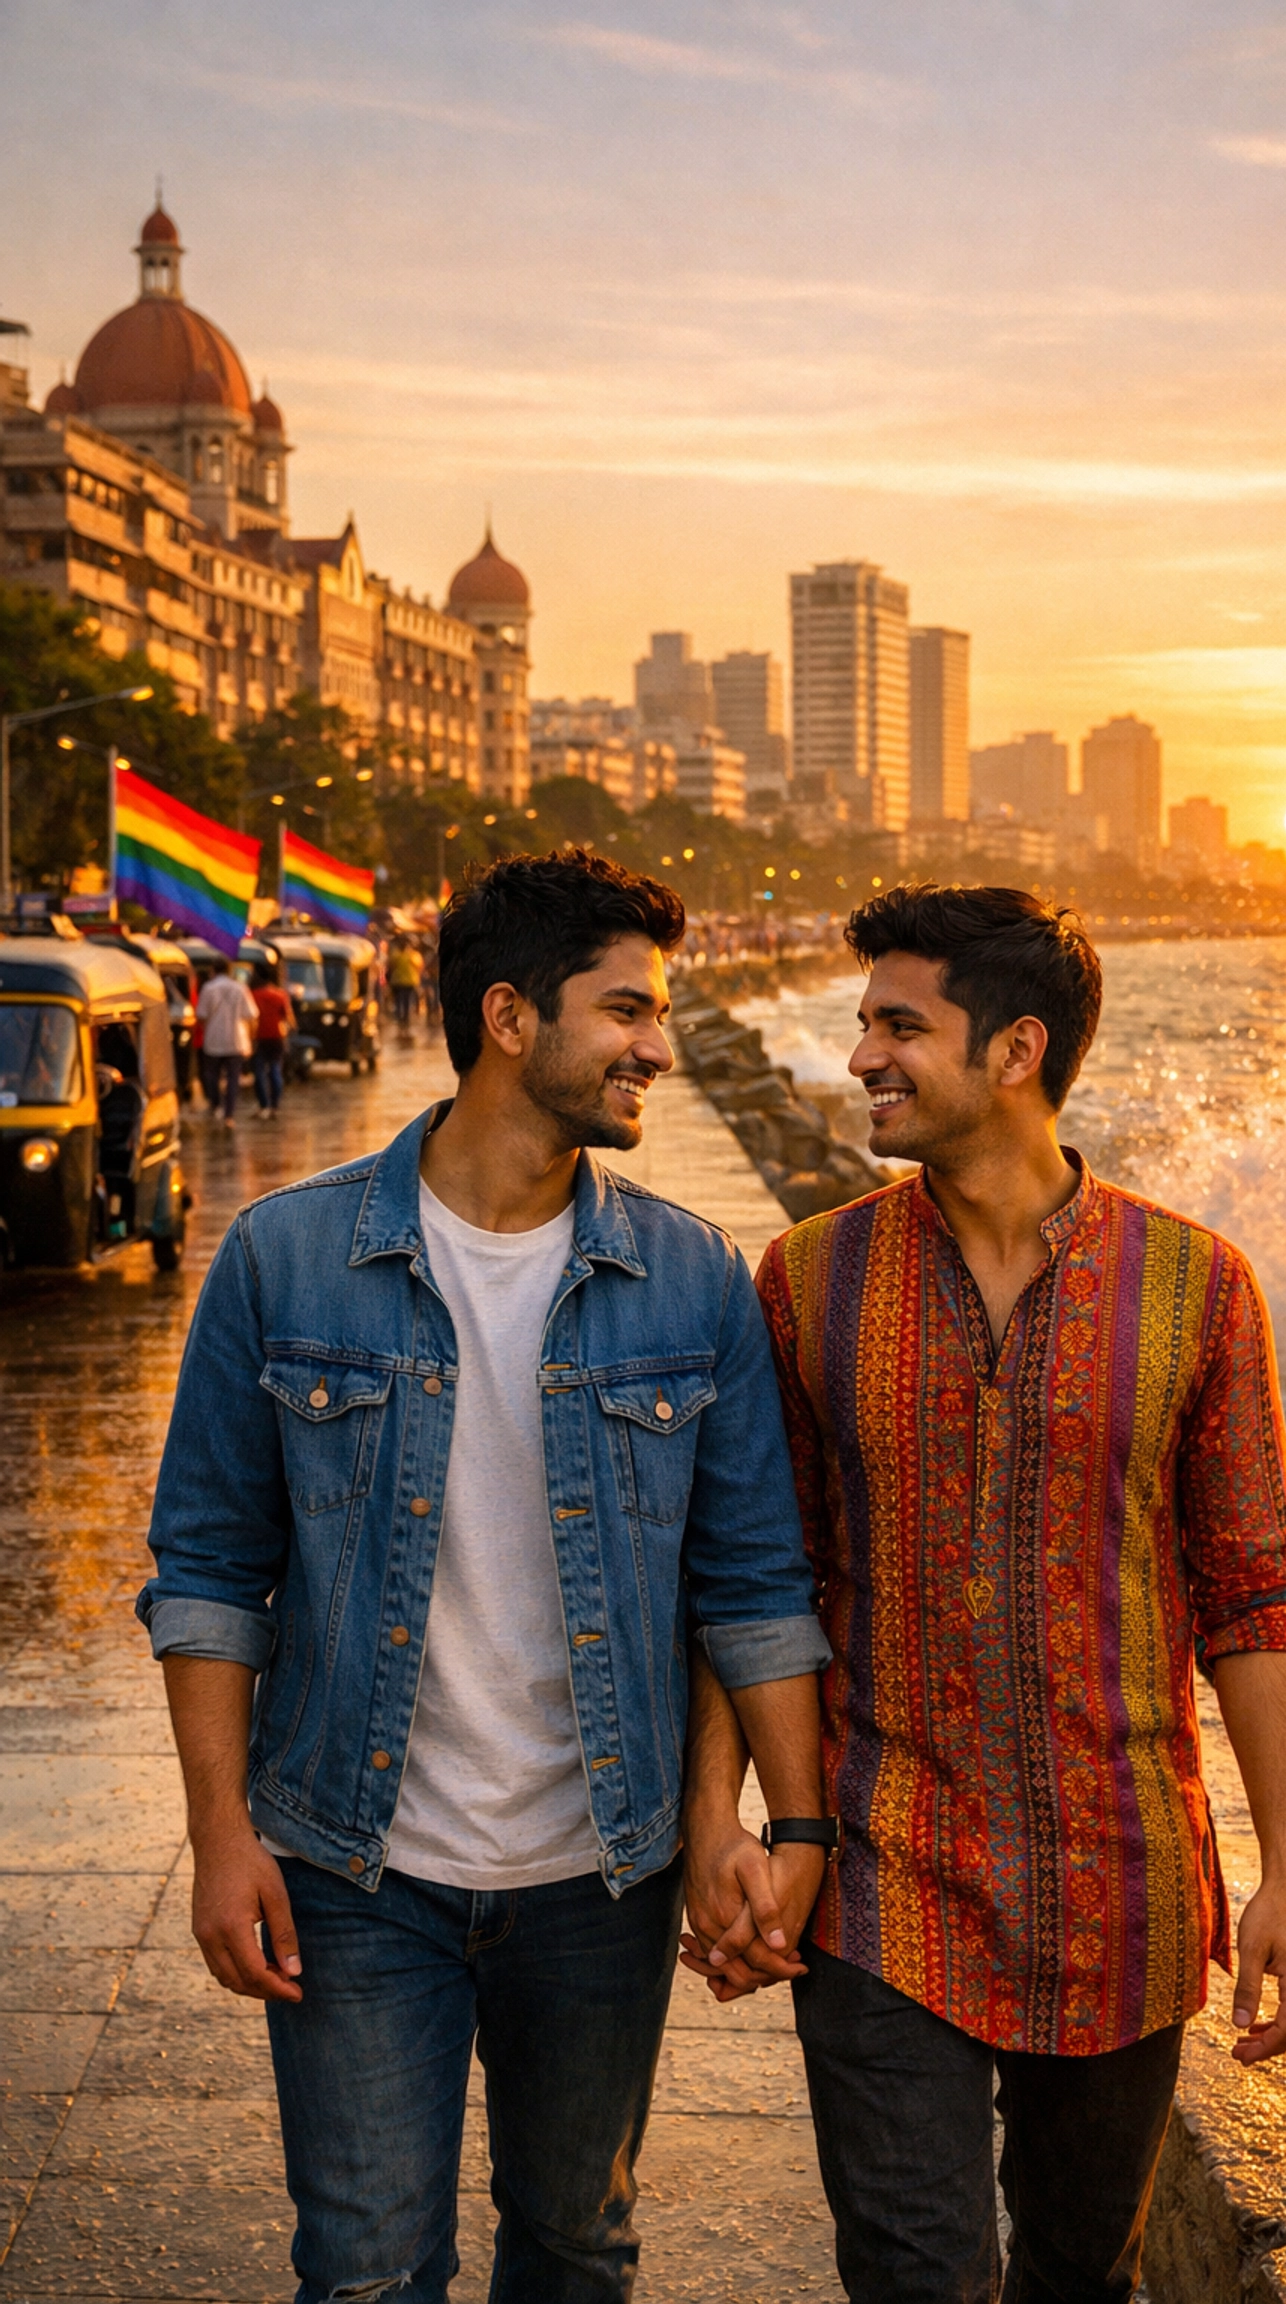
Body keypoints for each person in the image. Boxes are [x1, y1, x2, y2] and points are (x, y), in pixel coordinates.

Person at [137, 847, 832, 2303]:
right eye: (627, 1010)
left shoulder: (693, 1279)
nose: (659, 1044)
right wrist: (219, 1835)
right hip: (348, 1869)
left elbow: (754, 1581)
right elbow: (208, 1572)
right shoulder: (286, 1258)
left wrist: (786, 1828)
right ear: (511, 1019)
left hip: (602, 1876)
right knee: (368, 2269)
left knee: (579, 2249)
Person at [688, 884, 1286, 2304]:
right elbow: (752, 1577)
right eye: (863, 1027)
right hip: (883, 1875)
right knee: (916, 2277)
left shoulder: (1199, 1291)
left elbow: (1260, 1597)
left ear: (1018, 1050)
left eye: (899, 1027)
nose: (862, 1059)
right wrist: (722, 1820)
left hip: (1126, 1885)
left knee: (1079, 2277)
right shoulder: (807, 1280)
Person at [195, 956, 258, 1129]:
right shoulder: (240, 988)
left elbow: (201, 1015)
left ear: (213, 971)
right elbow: (251, 1015)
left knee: (212, 1077)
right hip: (236, 1040)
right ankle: (229, 1115)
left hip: (213, 1040)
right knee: (233, 1079)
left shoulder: (208, 988)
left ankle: (216, 1105)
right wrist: (251, 1039)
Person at [249, 962, 295, 1121]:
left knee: (259, 1073)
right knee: (275, 1070)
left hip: (259, 1037)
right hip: (277, 1037)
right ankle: (275, 1105)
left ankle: (264, 1106)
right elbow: (289, 1018)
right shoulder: (280, 995)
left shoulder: (253, 994)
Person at [388, 937, 423, 1030]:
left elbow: (391, 965)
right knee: (406, 1001)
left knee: (400, 1001)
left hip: (399, 981)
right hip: (409, 982)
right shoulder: (413, 955)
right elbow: (419, 966)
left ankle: (401, 1018)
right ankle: (405, 1018)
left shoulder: (395, 954)